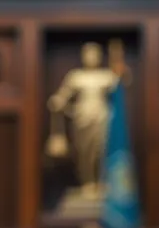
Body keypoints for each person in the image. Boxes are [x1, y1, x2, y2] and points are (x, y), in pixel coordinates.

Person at [47, 41, 123, 198]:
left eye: (95, 54)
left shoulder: (106, 75)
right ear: (83, 57)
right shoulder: (76, 76)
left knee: (101, 150)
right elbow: (62, 96)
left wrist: (118, 61)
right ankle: (87, 182)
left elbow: (122, 86)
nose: (91, 57)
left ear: (100, 57)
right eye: (88, 54)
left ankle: (101, 181)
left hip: (102, 117)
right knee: (84, 151)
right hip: (82, 118)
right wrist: (59, 103)